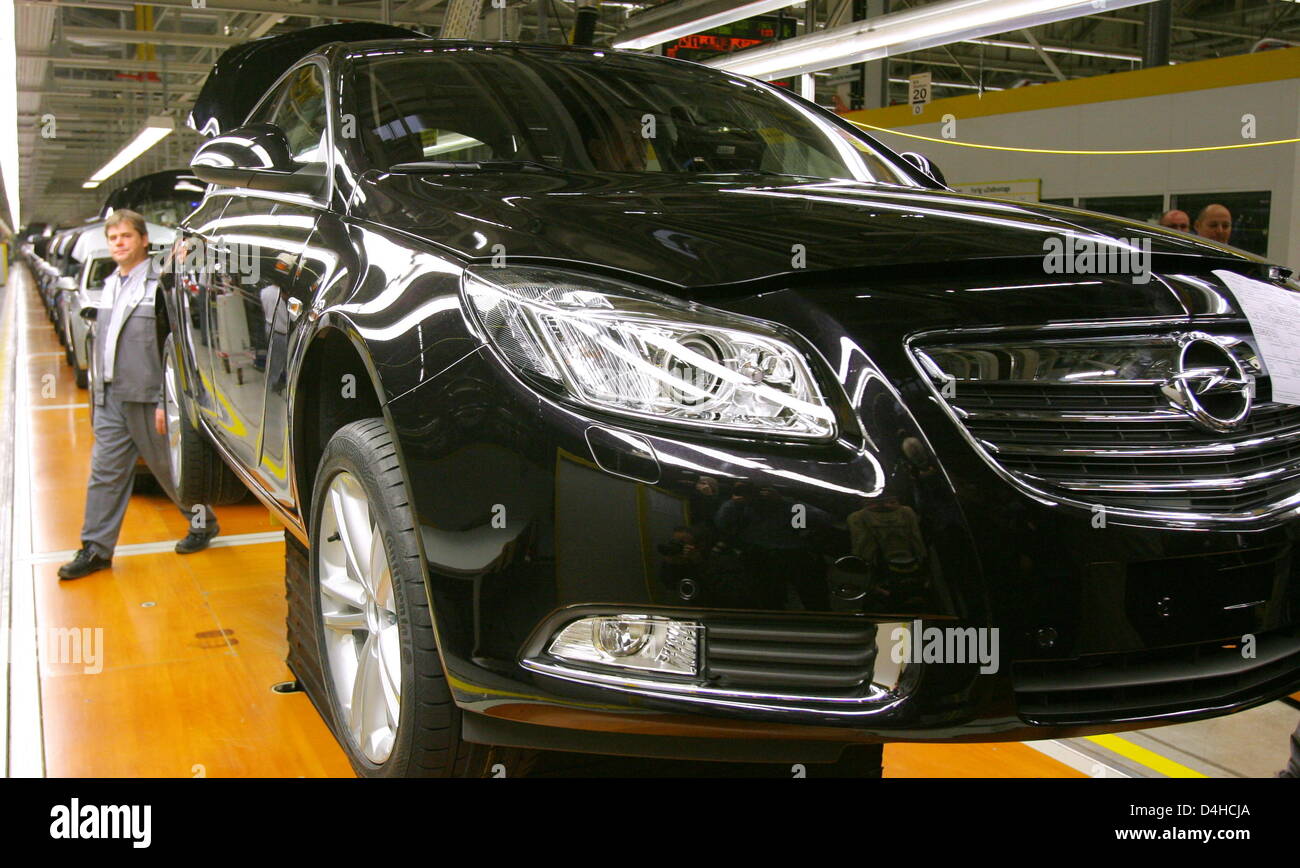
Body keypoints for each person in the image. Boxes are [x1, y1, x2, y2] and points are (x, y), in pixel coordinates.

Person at [57, 210, 219, 580]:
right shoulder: (111, 284)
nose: (119, 244)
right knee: (105, 474)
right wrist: (98, 399)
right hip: (114, 396)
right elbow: (103, 345)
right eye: (113, 238)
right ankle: (95, 549)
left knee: (168, 470)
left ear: (143, 240)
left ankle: (202, 522)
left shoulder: (160, 283)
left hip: (149, 396)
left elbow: (174, 347)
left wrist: (167, 401)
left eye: (126, 237)